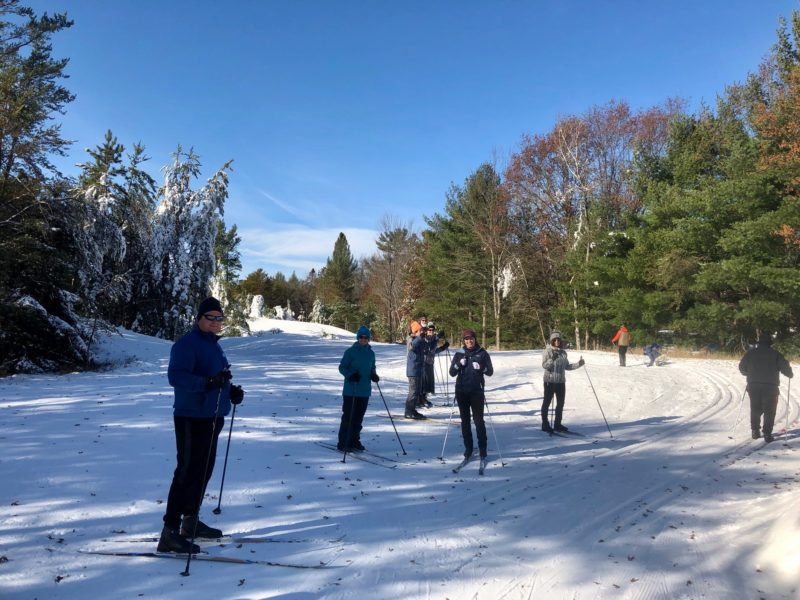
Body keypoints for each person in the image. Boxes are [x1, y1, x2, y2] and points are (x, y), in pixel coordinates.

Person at [158, 297, 245, 554]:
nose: (216, 322)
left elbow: (217, 377)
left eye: (220, 318)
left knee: (204, 470)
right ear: (199, 318)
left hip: (213, 415)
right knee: (186, 472)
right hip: (190, 416)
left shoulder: (214, 345)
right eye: (211, 317)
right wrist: (207, 382)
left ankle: (190, 522)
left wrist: (230, 390)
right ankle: (169, 532)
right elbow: (176, 376)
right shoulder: (187, 344)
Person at [738, 333, 793, 443]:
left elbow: (741, 367)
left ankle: (755, 431)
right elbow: (785, 369)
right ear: (770, 343)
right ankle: (767, 433)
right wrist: (789, 374)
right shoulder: (776, 354)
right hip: (770, 386)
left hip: (753, 385)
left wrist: (748, 373)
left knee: (755, 408)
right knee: (770, 410)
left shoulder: (750, 353)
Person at [449, 329, 494, 459]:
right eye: (467, 339)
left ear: (475, 339)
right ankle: (468, 448)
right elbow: (452, 372)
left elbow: (490, 371)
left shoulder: (482, 353)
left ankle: (482, 448)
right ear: (464, 341)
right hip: (462, 392)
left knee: (479, 421)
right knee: (465, 421)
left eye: (471, 339)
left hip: (477, 392)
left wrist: (481, 368)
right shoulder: (459, 353)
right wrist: (458, 365)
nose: (469, 341)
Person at [337, 325, 379, 451]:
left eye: (366, 337)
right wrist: (350, 375)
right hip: (351, 390)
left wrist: (374, 375)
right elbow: (342, 367)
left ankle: (355, 441)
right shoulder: (350, 352)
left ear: (369, 339)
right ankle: (343, 442)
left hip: (364, 391)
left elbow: (372, 367)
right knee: (348, 417)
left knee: (358, 418)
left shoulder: (371, 353)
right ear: (358, 338)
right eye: (361, 337)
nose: (363, 339)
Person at [541, 331, 584, 433]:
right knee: (547, 403)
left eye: (558, 340)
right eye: (554, 340)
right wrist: (552, 359)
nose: (557, 341)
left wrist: (579, 364)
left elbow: (567, 366)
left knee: (560, 404)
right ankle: (545, 424)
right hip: (550, 381)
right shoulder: (547, 351)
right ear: (551, 341)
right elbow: (545, 366)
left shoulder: (563, 353)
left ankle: (557, 424)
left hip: (561, 382)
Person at [420, 322, 449, 407]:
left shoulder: (433, 339)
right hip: (423, 362)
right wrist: (437, 337)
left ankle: (424, 398)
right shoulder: (424, 338)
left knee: (429, 381)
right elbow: (428, 347)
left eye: (432, 330)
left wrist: (443, 347)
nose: (431, 331)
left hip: (430, 362)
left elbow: (433, 351)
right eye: (429, 329)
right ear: (426, 330)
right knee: (424, 381)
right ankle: (420, 399)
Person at [404, 321, 427, 419]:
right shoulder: (411, 339)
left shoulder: (419, 339)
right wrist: (419, 338)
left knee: (417, 391)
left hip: (418, 369)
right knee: (413, 391)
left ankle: (412, 410)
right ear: (416, 331)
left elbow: (427, 348)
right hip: (413, 370)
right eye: (420, 330)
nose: (421, 332)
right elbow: (412, 347)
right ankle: (408, 411)